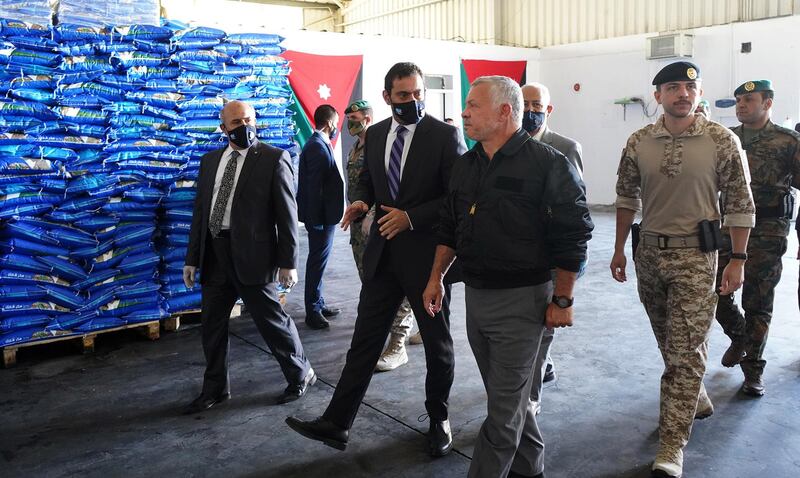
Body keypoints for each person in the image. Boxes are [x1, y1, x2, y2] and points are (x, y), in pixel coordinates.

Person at [286, 62, 466, 457]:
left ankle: (439, 420)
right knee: (365, 340)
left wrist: (412, 217)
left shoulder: (445, 136)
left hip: (427, 260)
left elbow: (458, 197)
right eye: (404, 96)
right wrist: (361, 200)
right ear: (387, 97)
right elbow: (369, 177)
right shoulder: (377, 134)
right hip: (383, 256)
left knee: (438, 345)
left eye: (418, 94)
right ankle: (337, 422)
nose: (413, 102)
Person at [423, 75, 592, 478]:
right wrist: (436, 278)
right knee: (509, 401)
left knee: (501, 415)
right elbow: (449, 227)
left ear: (504, 112)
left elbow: (574, 234)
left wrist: (563, 299)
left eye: (473, 105)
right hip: (476, 298)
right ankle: (531, 468)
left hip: (524, 301)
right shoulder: (466, 165)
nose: (464, 112)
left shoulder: (548, 164)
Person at [610, 61, 755, 478]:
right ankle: (697, 398)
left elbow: (741, 204)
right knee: (669, 342)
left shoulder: (720, 139)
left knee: (685, 351)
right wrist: (619, 249)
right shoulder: (639, 140)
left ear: (698, 93)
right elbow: (625, 197)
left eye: (689, 88)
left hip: (697, 258)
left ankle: (672, 446)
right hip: (649, 256)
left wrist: (738, 260)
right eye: (672, 88)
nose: (682, 95)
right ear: (657, 96)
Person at [182, 100, 315, 414]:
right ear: (223, 126)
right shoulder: (211, 161)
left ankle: (300, 373)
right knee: (212, 326)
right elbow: (201, 213)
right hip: (216, 255)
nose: (244, 127)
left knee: (272, 323)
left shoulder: (272, 158)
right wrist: (193, 258)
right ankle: (215, 388)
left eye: (248, 120)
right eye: (236, 122)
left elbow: (287, 214)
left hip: (254, 256)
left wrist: (289, 262)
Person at [714, 79, 800, 396]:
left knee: (758, 300)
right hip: (727, 228)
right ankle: (739, 336)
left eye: (749, 99)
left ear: (767, 103)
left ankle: (753, 371)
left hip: (767, 229)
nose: (741, 105)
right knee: (714, 291)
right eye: (738, 100)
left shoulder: (788, 141)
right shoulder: (725, 139)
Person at [521, 82, 586, 415]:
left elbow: (575, 208)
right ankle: (542, 368)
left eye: (536, 105)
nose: (530, 111)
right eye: (524, 104)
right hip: (520, 253)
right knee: (535, 328)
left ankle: (530, 400)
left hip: (552, 255)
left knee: (542, 329)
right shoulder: (510, 144)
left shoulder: (564, 147)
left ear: (548, 110)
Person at [344, 99, 417, 372]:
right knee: (371, 283)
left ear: (369, 116)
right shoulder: (357, 147)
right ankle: (387, 331)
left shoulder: (380, 145)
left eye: (355, 116)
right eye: (348, 116)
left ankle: (397, 343)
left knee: (397, 283)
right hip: (358, 225)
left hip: (381, 224)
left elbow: (386, 183)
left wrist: (372, 214)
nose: (351, 121)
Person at [296, 104, 344, 330]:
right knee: (317, 262)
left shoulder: (319, 144)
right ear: (330, 123)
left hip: (324, 216)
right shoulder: (316, 146)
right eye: (336, 123)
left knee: (320, 262)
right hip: (320, 218)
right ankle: (312, 310)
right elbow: (313, 187)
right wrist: (315, 220)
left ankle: (318, 302)